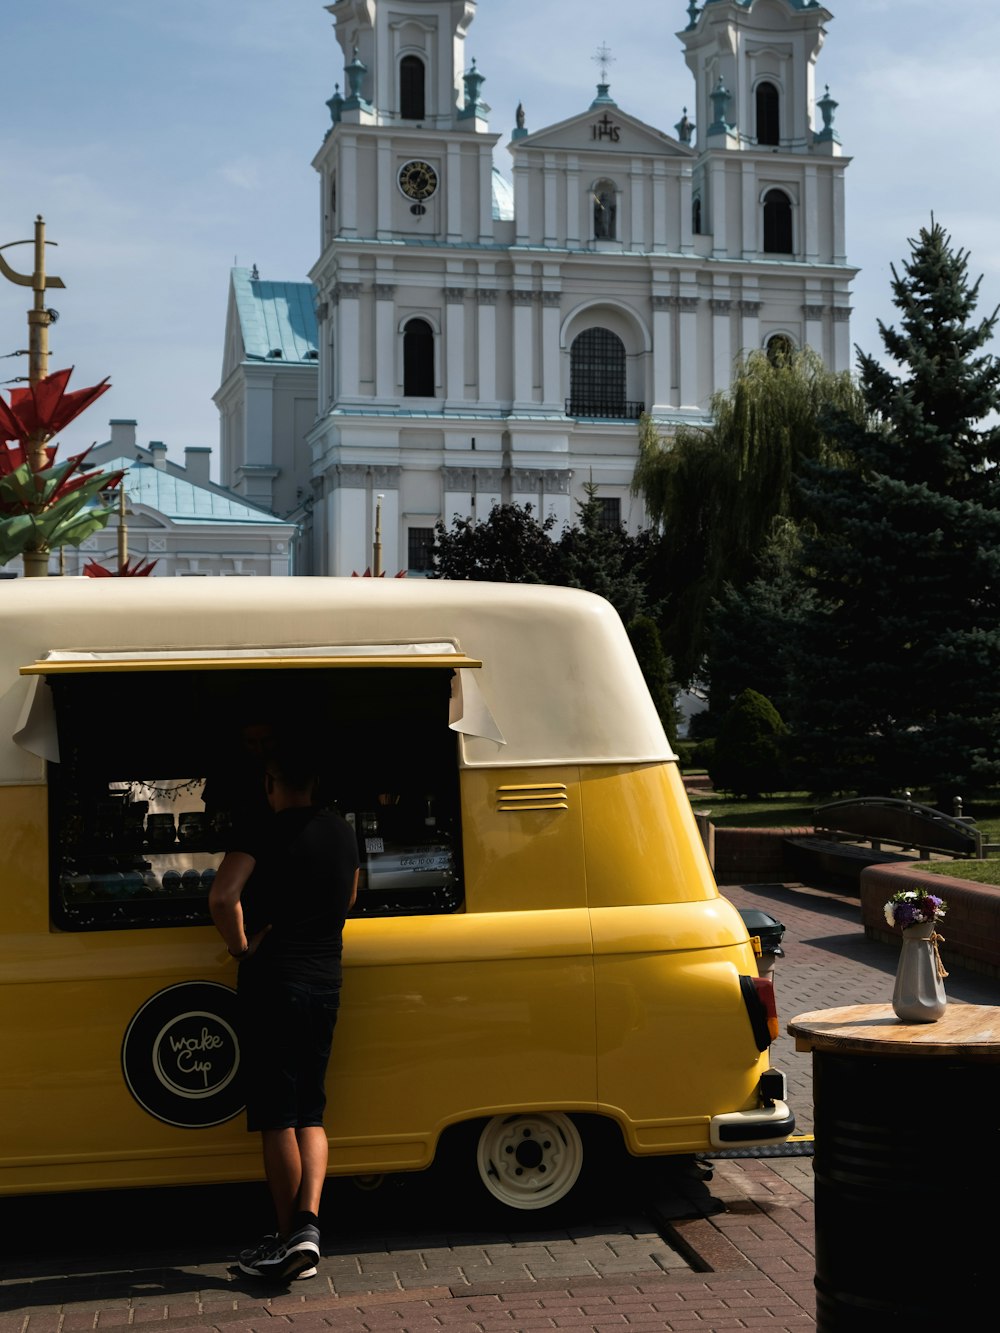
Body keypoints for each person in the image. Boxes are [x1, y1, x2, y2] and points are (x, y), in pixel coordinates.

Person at [208, 741, 359, 1283]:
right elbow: (348, 899)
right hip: (326, 979)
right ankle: (308, 1228)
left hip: (274, 981)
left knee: (278, 1116)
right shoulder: (342, 831)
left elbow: (224, 897)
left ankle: (286, 1242)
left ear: (271, 782)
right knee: (312, 1111)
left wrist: (240, 947)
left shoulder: (259, 830)